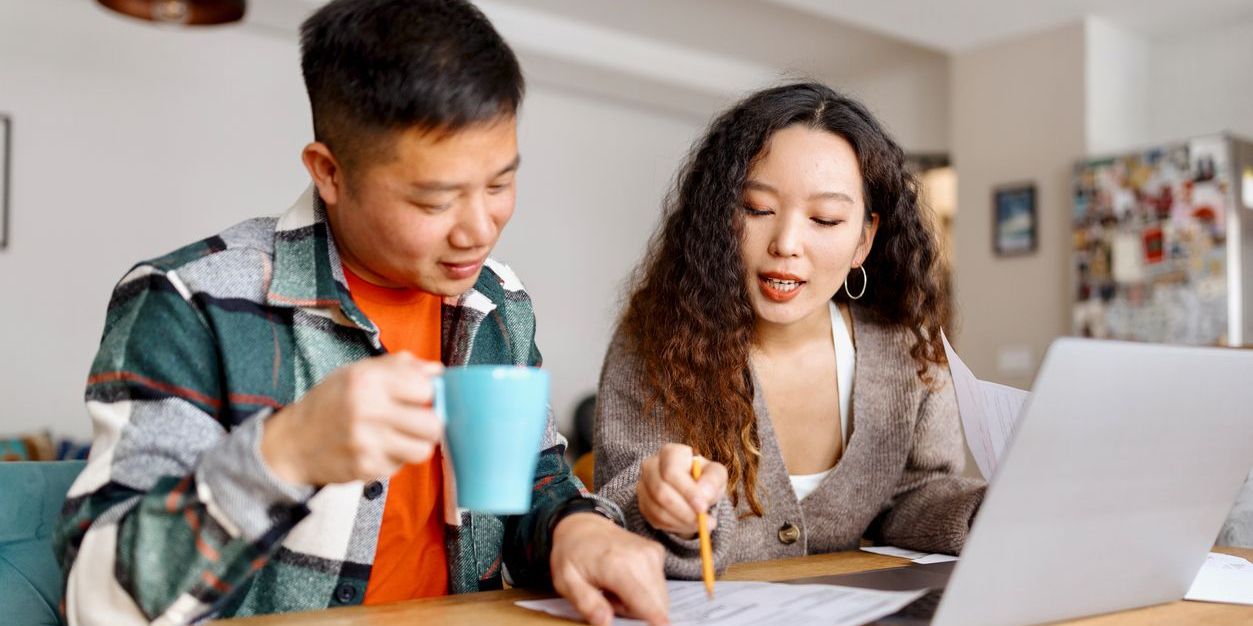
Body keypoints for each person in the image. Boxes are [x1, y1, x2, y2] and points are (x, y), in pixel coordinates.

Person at [54, 1, 668, 624]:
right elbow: (97, 603)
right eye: (435, 201)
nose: (480, 230)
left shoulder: (497, 305)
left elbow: (530, 491)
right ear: (329, 172)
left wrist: (576, 531)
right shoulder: (191, 302)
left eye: (499, 184)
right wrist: (284, 454)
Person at [595, 82, 985, 577]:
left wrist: (987, 511)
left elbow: (915, 494)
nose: (786, 243)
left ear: (864, 239)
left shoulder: (907, 353)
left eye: (824, 219)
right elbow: (620, 504)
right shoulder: (657, 341)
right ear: (719, 217)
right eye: (757, 209)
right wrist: (667, 511)